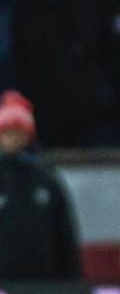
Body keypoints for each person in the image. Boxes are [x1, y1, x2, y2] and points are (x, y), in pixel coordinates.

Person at [0, 91, 82, 280]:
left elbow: (64, 234)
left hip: (44, 284)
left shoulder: (46, 178)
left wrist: (73, 281)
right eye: (7, 133)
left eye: (17, 132)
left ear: (28, 135)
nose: (12, 139)